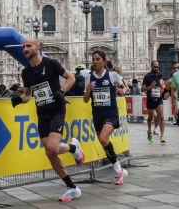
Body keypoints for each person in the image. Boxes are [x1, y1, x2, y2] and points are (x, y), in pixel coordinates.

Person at [10, 37, 84, 202]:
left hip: (57, 110)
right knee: (51, 152)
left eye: (28, 46)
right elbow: (28, 95)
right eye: (23, 47)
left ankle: (73, 183)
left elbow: (70, 78)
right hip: (42, 113)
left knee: (51, 147)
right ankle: (72, 181)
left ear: (38, 47)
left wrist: (61, 91)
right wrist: (19, 99)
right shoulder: (26, 72)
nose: (25, 49)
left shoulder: (51, 64)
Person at [82, 50, 129, 185]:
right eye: (93, 59)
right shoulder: (89, 77)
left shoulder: (112, 75)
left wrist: (121, 91)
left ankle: (116, 168)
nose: (95, 62)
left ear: (103, 61)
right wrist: (88, 91)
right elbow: (85, 100)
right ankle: (119, 169)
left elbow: (124, 88)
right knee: (103, 142)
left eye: (97, 59)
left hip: (111, 113)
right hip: (97, 115)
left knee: (103, 138)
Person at [142, 61, 166, 143]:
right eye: (155, 67)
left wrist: (163, 87)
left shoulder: (160, 75)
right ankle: (149, 131)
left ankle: (162, 135)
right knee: (151, 117)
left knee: (161, 116)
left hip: (158, 98)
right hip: (150, 99)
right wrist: (150, 87)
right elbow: (142, 89)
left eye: (157, 67)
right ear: (151, 66)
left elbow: (162, 85)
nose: (156, 68)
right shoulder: (147, 76)